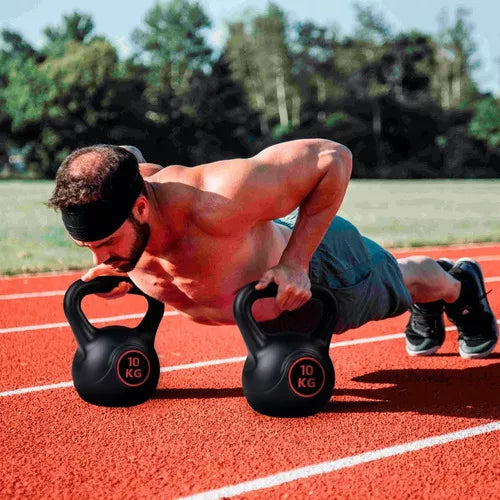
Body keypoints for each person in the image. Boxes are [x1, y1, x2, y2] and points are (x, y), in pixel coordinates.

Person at [47, 141, 498, 359]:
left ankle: (457, 284)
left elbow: (332, 159)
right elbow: (124, 152)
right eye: (88, 248)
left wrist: (296, 263)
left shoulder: (217, 198)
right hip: (262, 283)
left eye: (106, 246)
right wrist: (120, 268)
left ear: (142, 208)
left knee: (403, 281)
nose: (99, 260)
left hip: (322, 272)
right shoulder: (120, 195)